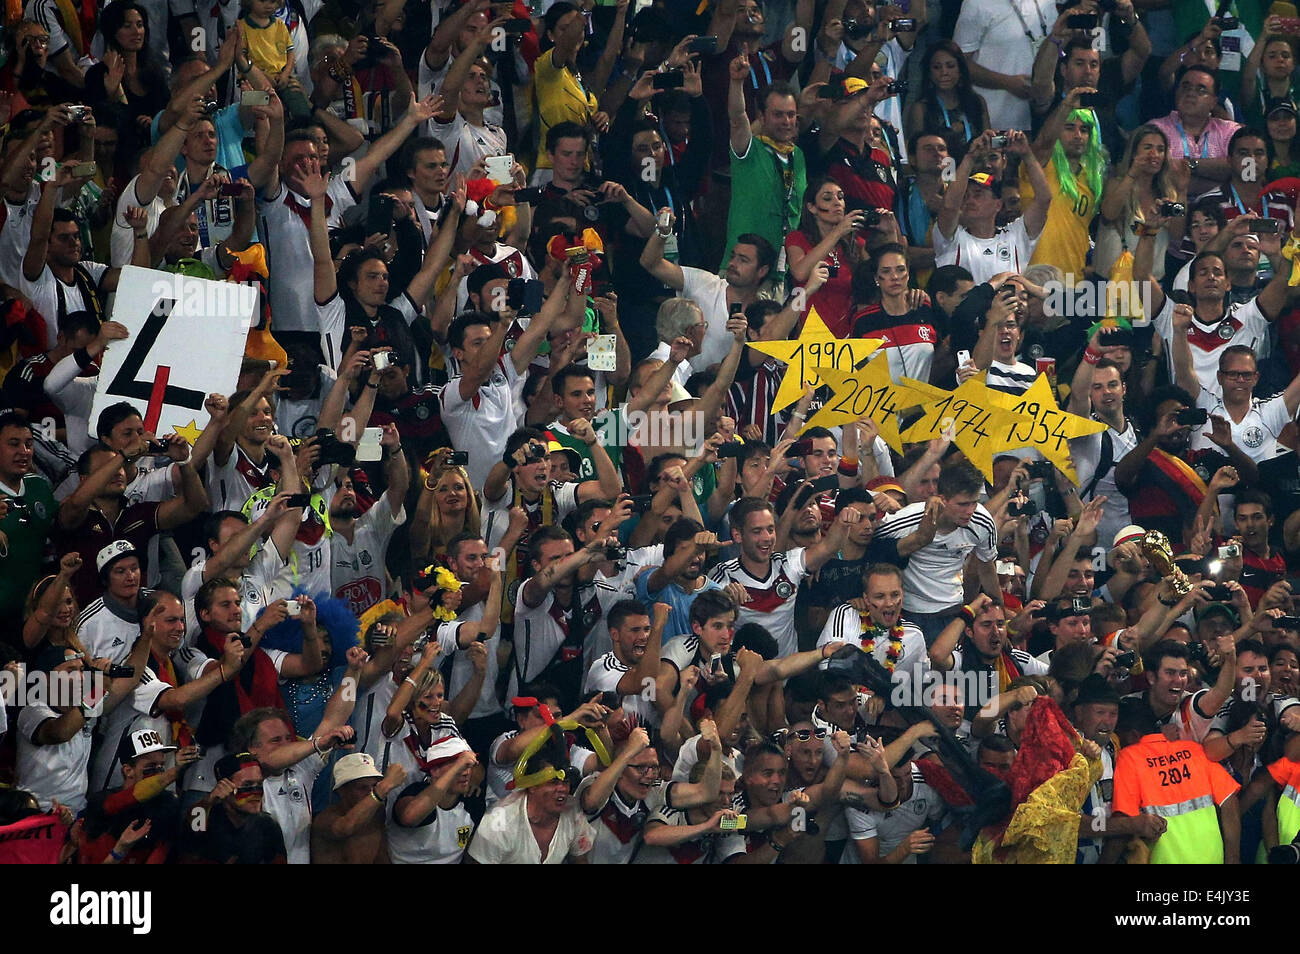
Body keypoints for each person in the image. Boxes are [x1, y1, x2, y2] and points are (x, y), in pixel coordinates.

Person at [877, 461, 1003, 644]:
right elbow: (867, 544)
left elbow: (987, 568)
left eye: (975, 502)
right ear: (942, 499)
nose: (970, 511)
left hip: (954, 610)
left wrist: (1001, 611)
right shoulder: (908, 519)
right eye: (962, 504)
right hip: (910, 612)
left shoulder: (983, 522)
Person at [1105, 697, 1241, 864]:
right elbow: (1229, 801)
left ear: (1133, 735)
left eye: (1119, 737)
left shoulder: (1129, 757)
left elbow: (1124, 821)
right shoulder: (1192, 750)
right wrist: (1233, 859)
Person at [933, 130, 1051, 284]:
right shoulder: (950, 240)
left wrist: (1027, 154)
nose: (969, 200)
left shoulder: (1016, 236)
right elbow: (949, 207)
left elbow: (1044, 198)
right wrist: (970, 158)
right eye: (966, 195)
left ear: (998, 204)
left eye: (978, 194)